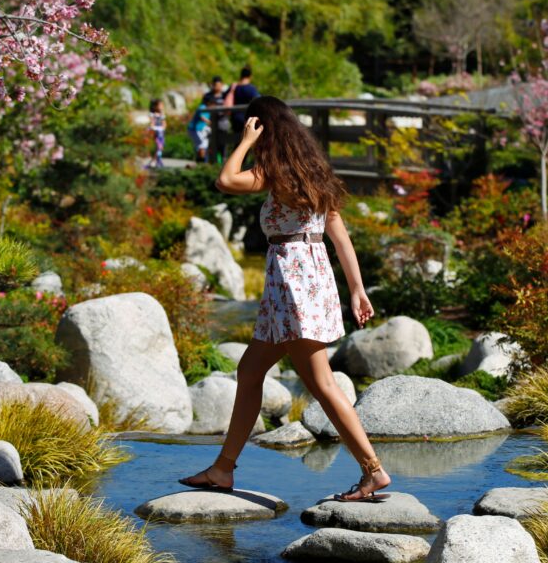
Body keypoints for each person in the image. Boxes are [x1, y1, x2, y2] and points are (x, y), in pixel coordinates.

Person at [178, 96, 390, 503]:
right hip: (303, 282)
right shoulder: (311, 173)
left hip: (294, 285)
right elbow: (340, 238)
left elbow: (225, 179)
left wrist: (242, 142)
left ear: (263, 129)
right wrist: (357, 289)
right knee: (251, 369)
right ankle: (223, 468)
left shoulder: (274, 174)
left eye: (255, 129)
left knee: (322, 383)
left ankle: (374, 471)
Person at [228, 66, 259, 150]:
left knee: (237, 143)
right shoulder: (251, 89)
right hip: (247, 119)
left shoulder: (234, 87)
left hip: (234, 119)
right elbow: (258, 101)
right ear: (250, 76)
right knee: (246, 143)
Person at [146, 98, 166, 169]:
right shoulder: (152, 115)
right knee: (158, 146)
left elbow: (164, 123)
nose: (162, 107)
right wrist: (153, 129)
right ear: (155, 106)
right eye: (160, 105)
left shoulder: (162, 115)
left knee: (160, 147)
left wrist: (163, 128)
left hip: (161, 132)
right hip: (155, 132)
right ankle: (155, 161)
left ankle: (155, 160)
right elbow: (152, 123)